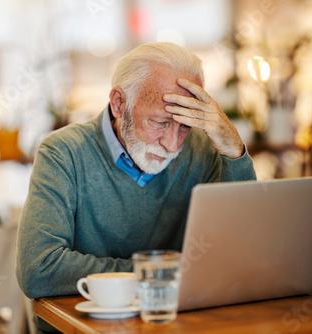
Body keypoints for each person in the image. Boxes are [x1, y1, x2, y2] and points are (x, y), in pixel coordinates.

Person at [16, 42, 256, 330]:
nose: (172, 144)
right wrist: (161, 274)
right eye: (160, 122)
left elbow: (241, 256)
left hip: (178, 326)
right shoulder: (63, 152)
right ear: (119, 103)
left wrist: (233, 150)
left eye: (184, 126)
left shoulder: (203, 151)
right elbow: (38, 270)